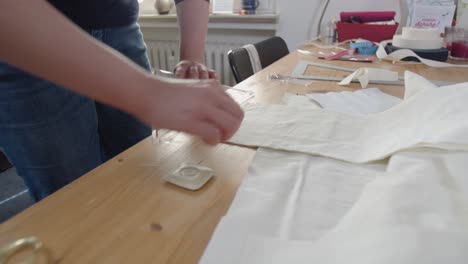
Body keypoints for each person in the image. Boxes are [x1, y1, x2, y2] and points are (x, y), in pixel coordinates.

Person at [0, 0, 244, 201]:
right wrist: (148, 92)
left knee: (143, 179)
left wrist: (193, 58)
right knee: (75, 201)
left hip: (120, 27)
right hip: (28, 35)